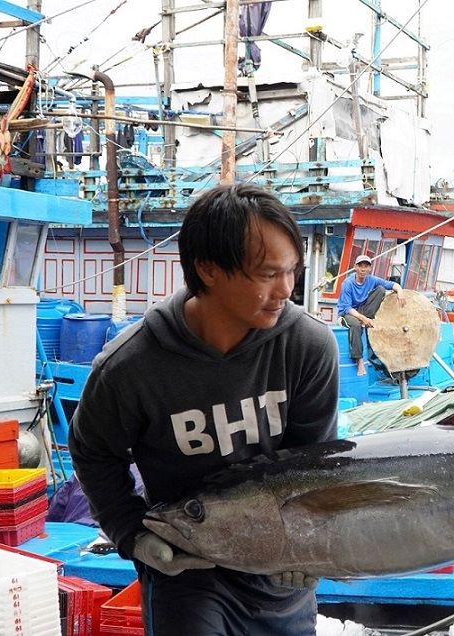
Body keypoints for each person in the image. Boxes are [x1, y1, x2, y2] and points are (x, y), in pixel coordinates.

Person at [69, 183, 339, 635]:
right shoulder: (131, 367)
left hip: (280, 577)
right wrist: (132, 533)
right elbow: (93, 453)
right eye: (268, 274)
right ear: (208, 269)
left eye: (292, 271)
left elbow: (316, 467)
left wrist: (314, 548)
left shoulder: (307, 347)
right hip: (188, 572)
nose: (286, 290)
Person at [336, 254, 405, 375]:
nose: (363, 269)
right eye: (360, 266)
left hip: (362, 311)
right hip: (347, 314)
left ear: (370, 268)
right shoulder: (347, 283)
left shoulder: (371, 279)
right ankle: (359, 361)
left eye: (366, 266)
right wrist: (363, 319)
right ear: (355, 267)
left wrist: (400, 291)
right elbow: (347, 308)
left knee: (381, 290)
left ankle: (367, 320)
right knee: (356, 325)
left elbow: (391, 285)